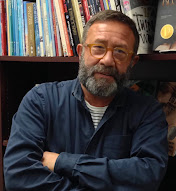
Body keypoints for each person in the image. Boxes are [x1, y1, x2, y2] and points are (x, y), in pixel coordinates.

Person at [4, 10, 168, 191]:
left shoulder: (147, 111)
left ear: (132, 62)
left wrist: (61, 162)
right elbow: (18, 177)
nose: (107, 60)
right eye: (98, 47)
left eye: (120, 51)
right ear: (81, 52)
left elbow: (147, 178)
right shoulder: (40, 100)